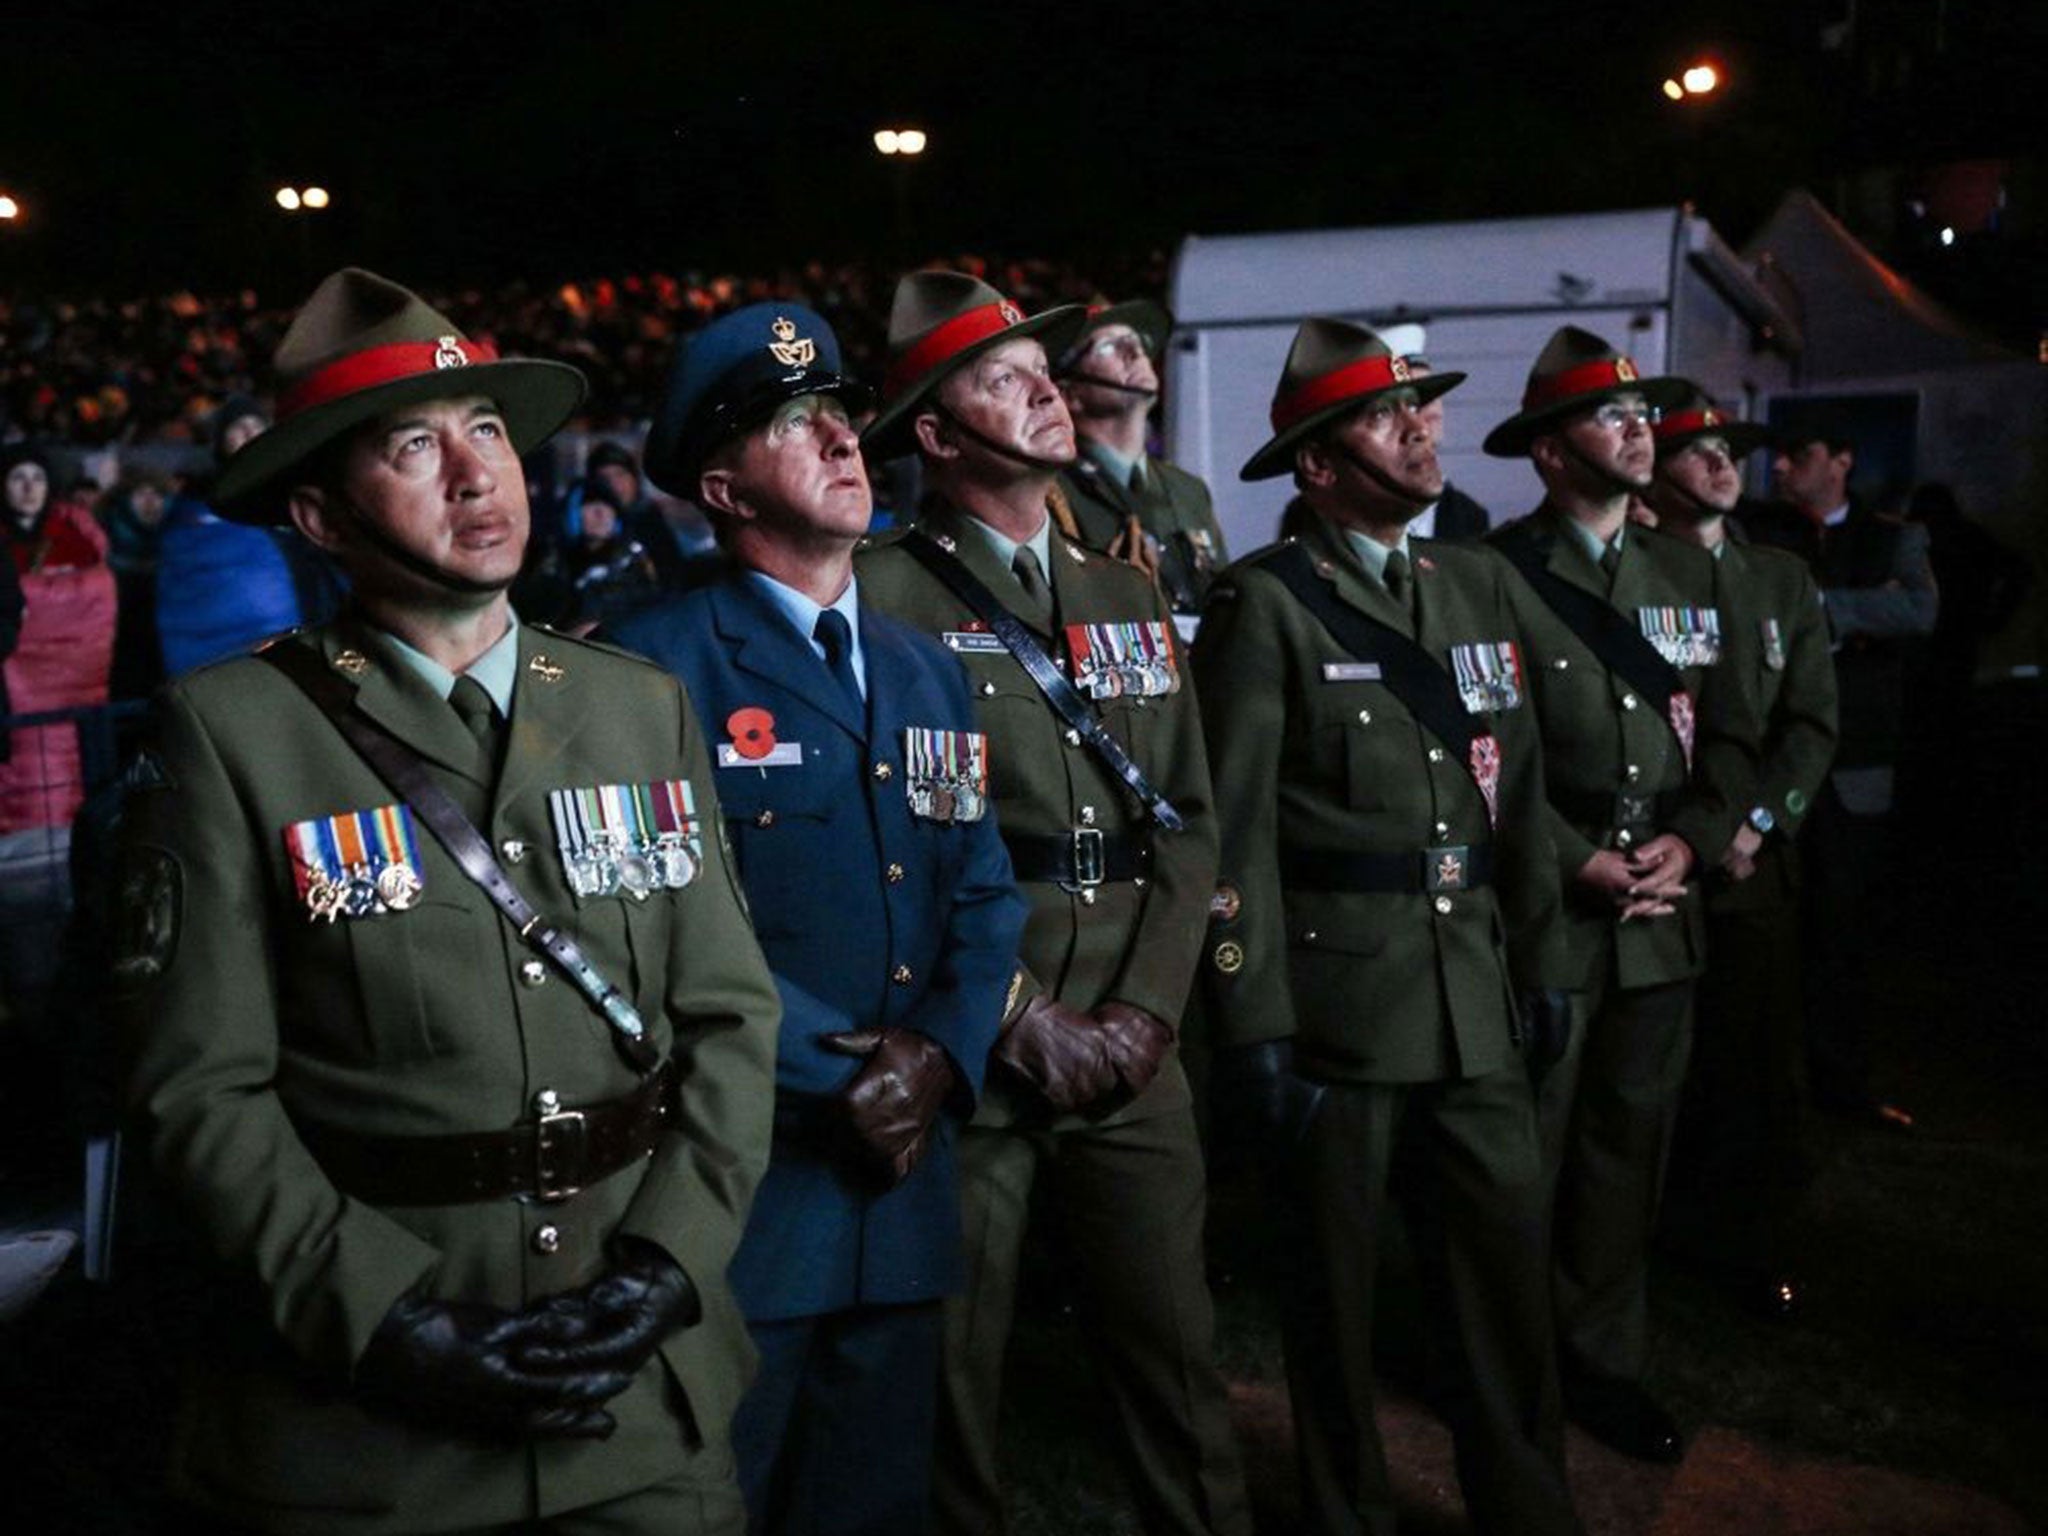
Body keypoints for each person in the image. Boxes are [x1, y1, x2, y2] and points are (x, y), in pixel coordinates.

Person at [114, 267, 782, 1535]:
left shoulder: (638, 708)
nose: (478, 475)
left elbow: (732, 1021)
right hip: (366, 1437)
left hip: (633, 1405)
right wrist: (385, 1312)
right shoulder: (234, 734)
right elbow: (198, 1090)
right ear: (317, 514)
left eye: (488, 431)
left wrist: (666, 1267)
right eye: (414, 446)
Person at [606, 302, 1028, 1534]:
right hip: (754, 1185)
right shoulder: (652, 671)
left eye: (841, 412)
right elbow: (650, 928)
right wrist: (841, 1073)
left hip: (902, 1184)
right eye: (795, 424)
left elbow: (983, 890)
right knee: (723, 1497)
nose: (845, 439)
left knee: (876, 1504)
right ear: (724, 486)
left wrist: (940, 1054)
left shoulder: (921, 665)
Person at [855, 271, 1251, 1536]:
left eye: (1042, 368)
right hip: (974, 1044)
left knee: (1179, 1362)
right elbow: (879, 855)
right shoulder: (874, 601)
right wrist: (1017, 1013)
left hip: (1134, 1037)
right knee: (950, 1381)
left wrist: (1144, 1010)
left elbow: (1186, 823)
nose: (1042, 386)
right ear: (934, 432)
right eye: (999, 377)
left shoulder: (1127, 590)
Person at [1196, 318, 1581, 1536]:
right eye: (1385, 414)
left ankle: (1526, 1505)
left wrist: (1546, 954)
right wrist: (1251, 1019)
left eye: (1423, 406)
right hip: (1339, 1014)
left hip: (1474, 997)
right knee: (1334, 1298)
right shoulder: (1264, 605)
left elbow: (1511, 790)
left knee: (1506, 1285)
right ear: (1315, 464)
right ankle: (1342, 1509)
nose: (1423, 428)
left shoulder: (1472, 581)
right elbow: (1236, 832)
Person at [1481, 327, 1750, 1465]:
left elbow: (1729, 742)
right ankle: (1506, 1368)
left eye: (1643, 415)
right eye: (1610, 416)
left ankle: (1599, 1364)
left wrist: (1690, 847)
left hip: (1659, 921)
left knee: (1622, 1156)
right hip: (1557, 912)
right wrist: (1568, 859)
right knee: (1523, 1156)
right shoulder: (1491, 576)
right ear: (1548, 452)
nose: (1643, 430)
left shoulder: (1690, 575)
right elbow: (1477, 754)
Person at [1641, 388, 1838, 1317]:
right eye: (1694, 450)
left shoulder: (1781, 579)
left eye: (1728, 448)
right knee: (1658, 1070)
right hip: (1661, 864)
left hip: (1751, 872)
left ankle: (1748, 1249)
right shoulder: (1632, 574)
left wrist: (1758, 825)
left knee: (1756, 1069)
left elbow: (1808, 721)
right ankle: (1648, 1239)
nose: (1721, 464)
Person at [1743, 421, 1936, 1127]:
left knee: (1843, 932)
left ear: (1843, 462)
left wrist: (1820, 607)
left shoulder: (1894, 537)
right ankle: (1768, 1088)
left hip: (1855, 761)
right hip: (1775, 762)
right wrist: (1856, 615)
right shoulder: (1763, 533)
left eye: (1801, 456)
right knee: (1770, 935)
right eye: (1780, 458)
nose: (1784, 469)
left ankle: (1841, 1084)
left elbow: (1918, 609)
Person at [1053, 300, 1229, 620]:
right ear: (1070, 395)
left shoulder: (1188, 490)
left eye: (1137, 343)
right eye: (1110, 347)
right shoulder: (1053, 491)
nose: (1135, 354)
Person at [156, 395, 344, 676]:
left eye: (256, 425)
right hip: (243, 653)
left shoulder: (297, 492)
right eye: (237, 427)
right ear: (221, 440)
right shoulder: (197, 503)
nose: (248, 433)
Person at [1376, 324, 1492, 540]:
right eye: (1413, 402)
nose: (1434, 410)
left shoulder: (1468, 515)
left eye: (1434, 394)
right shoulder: (1328, 512)